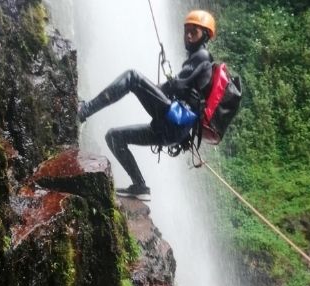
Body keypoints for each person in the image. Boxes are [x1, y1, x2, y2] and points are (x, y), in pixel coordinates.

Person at [78, 10, 216, 201]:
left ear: (206, 35)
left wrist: (149, 87)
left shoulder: (202, 56)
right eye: (187, 30)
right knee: (114, 137)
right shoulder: (197, 59)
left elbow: (175, 85)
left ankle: (84, 110)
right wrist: (152, 89)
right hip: (170, 131)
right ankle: (140, 186)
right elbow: (173, 88)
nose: (189, 35)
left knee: (132, 77)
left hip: (174, 121)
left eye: (195, 31)